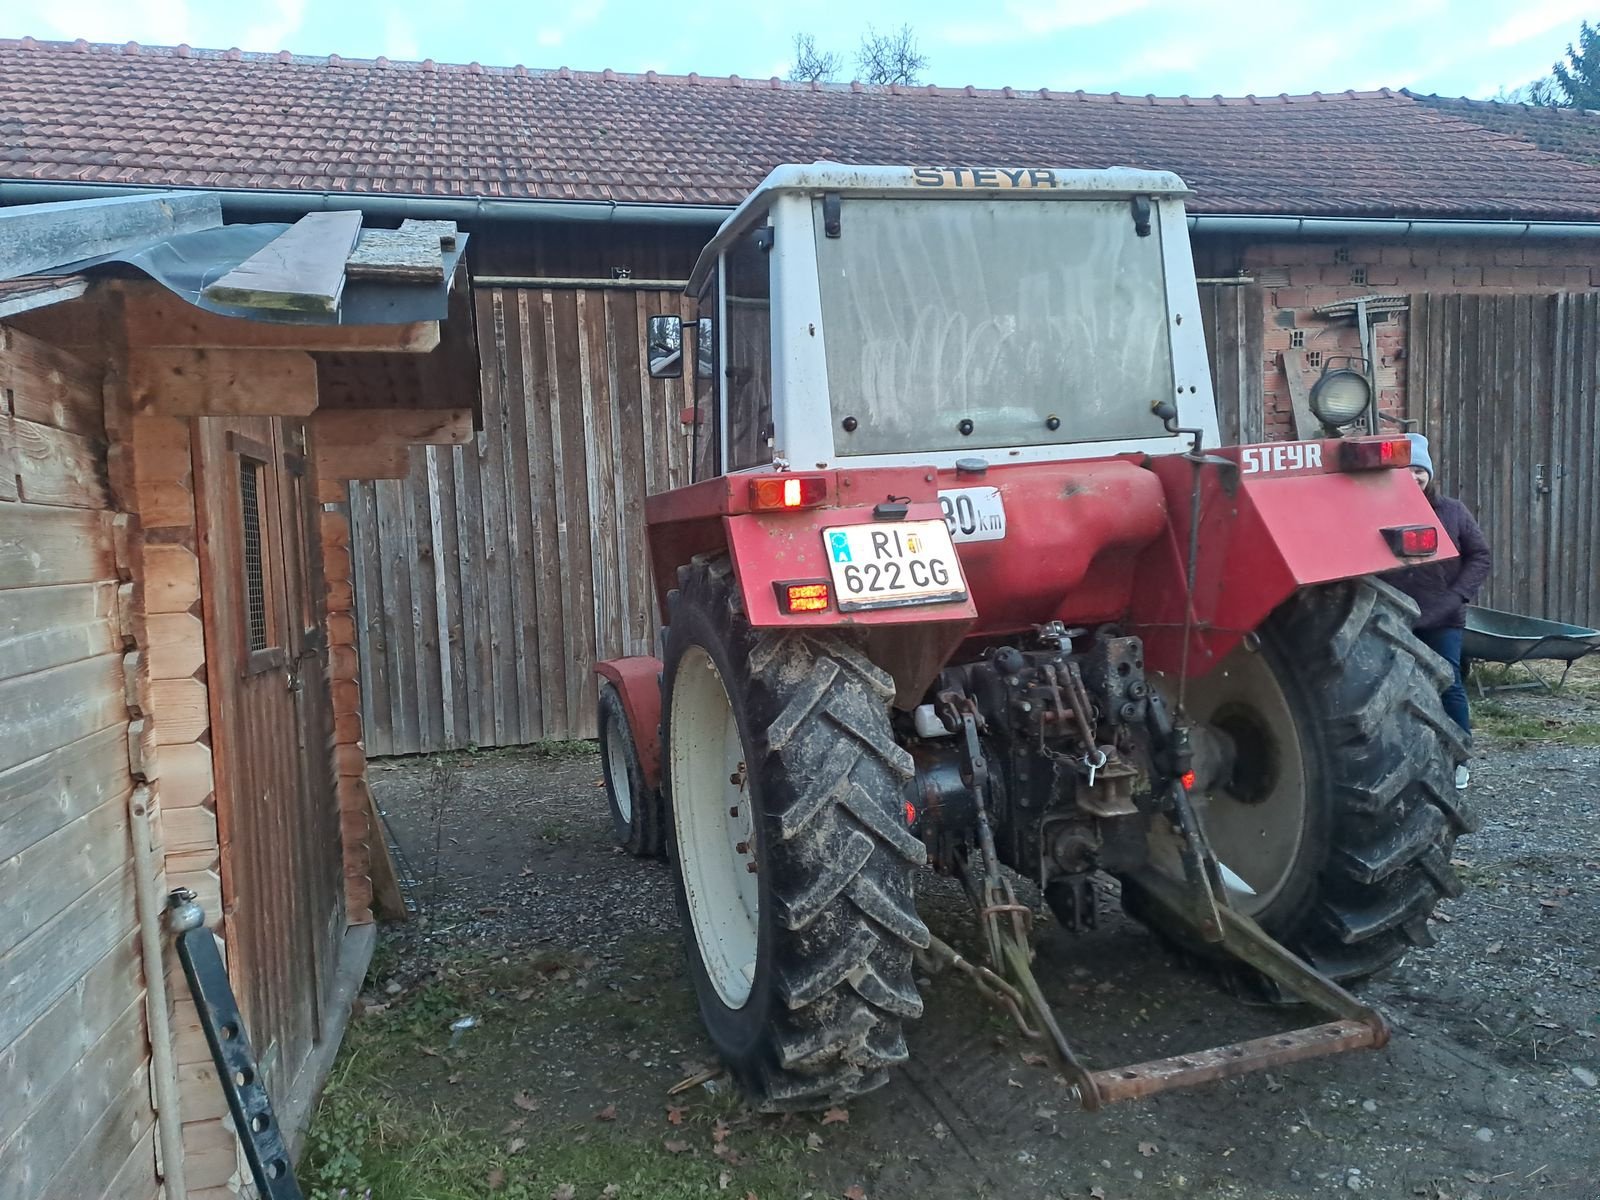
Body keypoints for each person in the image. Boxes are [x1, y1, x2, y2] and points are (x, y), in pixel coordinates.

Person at [1389, 432, 1491, 789]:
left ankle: (1459, 757)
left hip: (1443, 616)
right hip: (1394, 616)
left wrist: (1457, 595)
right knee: (1398, 687)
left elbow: (1480, 556)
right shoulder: (1381, 511)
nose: (1414, 476)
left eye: (1419, 470)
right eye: (1406, 470)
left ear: (1429, 473)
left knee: (1449, 685)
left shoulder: (1452, 511)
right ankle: (1406, 755)